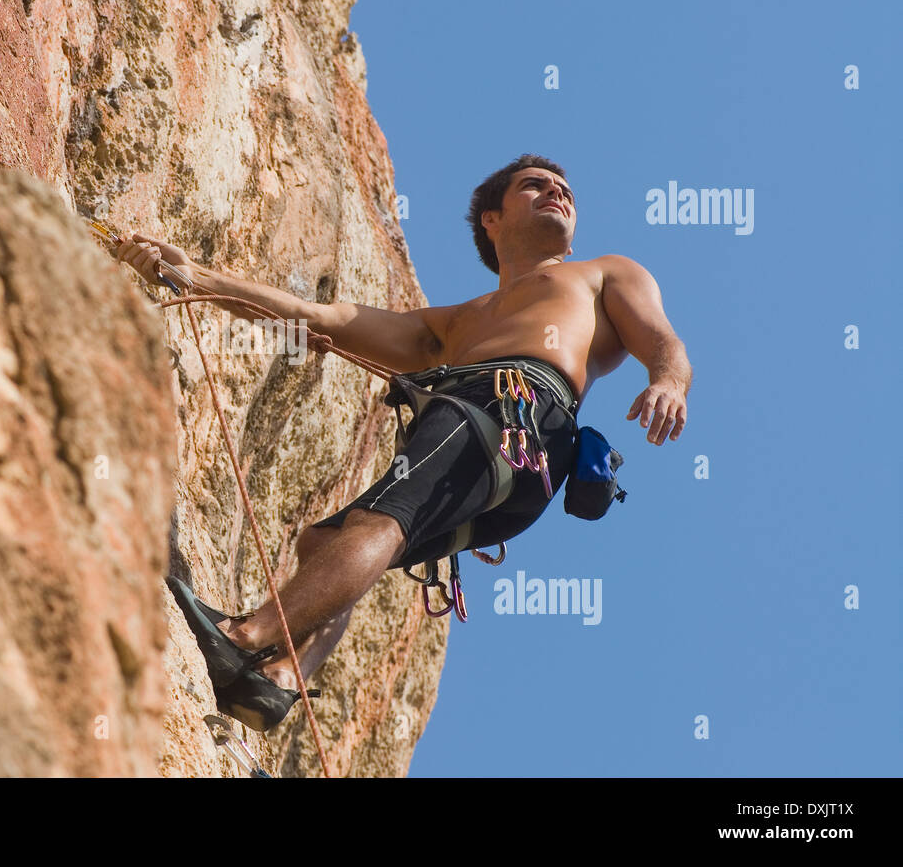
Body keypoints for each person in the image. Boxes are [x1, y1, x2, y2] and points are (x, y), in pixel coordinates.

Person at [118, 154, 692, 730]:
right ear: (491, 219)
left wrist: (668, 381)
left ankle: (243, 635)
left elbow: (663, 338)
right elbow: (319, 320)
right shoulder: (455, 321)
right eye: (535, 186)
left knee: (378, 525)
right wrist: (198, 278)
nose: (558, 194)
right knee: (326, 542)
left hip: (512, 409)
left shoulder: (604, 273)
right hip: (508, 454)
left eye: (566, 189)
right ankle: (280, 678)